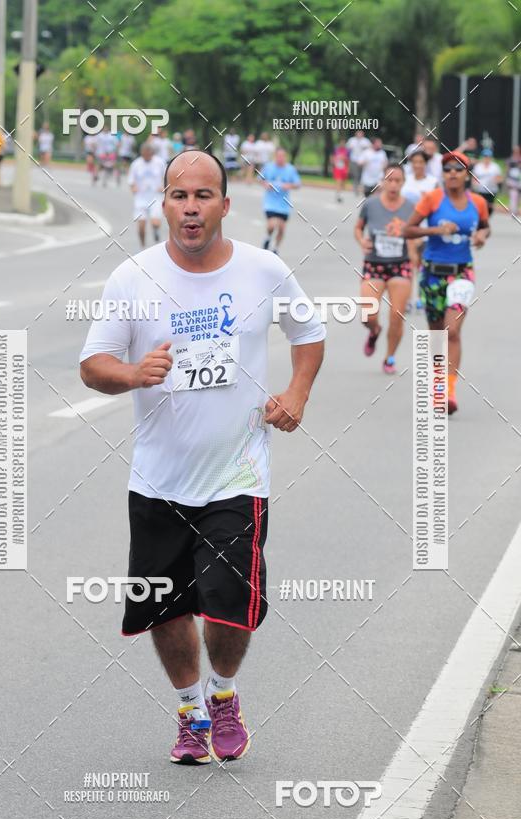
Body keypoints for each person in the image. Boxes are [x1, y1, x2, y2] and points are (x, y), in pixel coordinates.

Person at [78, 149, 325, 765]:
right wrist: (134, 374)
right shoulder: (132, 278)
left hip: (239, 473)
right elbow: (92, 365)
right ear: (163, 203)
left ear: (224, 204)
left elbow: (309, 333)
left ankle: (223, 695)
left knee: (230, 605)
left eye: (204, 196)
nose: (191, 208)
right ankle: (190, 711)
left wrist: (296, 393)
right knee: (165, 607)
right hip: (159, 479)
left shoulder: (263, 270)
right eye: (179, 196)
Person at [404, 151, 490, 414]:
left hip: (462, 272)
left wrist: (481, 237)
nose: (452, 173)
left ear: (467, 175)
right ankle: (439, 382)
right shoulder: (432, 199)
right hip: (432, 273)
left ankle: (448, 391)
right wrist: (435, 230)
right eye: (448, 169)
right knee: (437, 335)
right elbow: (409, 230)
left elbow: (485, 226)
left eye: (458, 169)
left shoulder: (478, 202)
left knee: (452, 330)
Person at [354, 164, 416, 373]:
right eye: (389, 180)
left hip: (401, 265)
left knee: (397, 316)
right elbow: (358, 227)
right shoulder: (370, 204)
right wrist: (362, 241)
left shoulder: (410, 207)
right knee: (368, 315)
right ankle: (374, 331)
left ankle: (389, 357)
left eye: (397, 180)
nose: (393, 184)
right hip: (374, 264)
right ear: (382, 181)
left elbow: (414, 238)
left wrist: (414, 263)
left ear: (403, 183)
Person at [402, 151, 438, 310]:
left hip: (425, 231)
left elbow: (437, 207)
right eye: (414, 162)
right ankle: (409, 299)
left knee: (423, 266)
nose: (417, 165)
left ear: (426, 164)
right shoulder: (405, 180)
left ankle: (423, 298)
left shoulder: (432, 182)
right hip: (405, 228)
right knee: (410, 264)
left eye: (420, 162)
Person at [259, 147, 301, 254]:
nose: (280, 158)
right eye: (278, 156)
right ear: (275, 156)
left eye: (282, 156)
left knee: (282, 229)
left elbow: (298, 184)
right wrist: (266, 184)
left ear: (285, 157)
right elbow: (260, 179)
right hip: (270, 203)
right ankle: (268, 237)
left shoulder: (290, 169)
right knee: (272, 225)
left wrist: (289, 185)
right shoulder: (268, 167)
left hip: (284, 204)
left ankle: (275, 248)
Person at [127, 142, 165, 247]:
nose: (147, 156)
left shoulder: (159, 163)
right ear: (142, 153)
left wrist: (164, 187)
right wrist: (133, 187)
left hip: (156, 197)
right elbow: (131, 180)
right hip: (141, 198)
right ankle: (142, 246)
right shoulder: (136, 164)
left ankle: (156, 232)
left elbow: (167, 177)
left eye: (149, 154)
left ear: (152, 153)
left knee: (155, 222)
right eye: (145, 154)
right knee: (141, 226)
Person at [471, 149, 503, 217]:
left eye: (488, 156)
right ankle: (482, 217)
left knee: (489, 206)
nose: (486, 158)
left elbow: (499, 178)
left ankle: (487, 216)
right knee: (481, 204)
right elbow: (474, 177)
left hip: (491, 190)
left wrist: (495, 181)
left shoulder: (495, 167)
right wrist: (474, 184)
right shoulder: (478, 166)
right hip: (480, 190)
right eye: (485, 156)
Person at [346, 129, 371, 196]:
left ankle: (363, 190)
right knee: (355, 175)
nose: (359, 135)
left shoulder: (366, 141)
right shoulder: (352, 140)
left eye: (361, 134)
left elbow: (370, 149)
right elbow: (347, 149)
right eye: (358, 133)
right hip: (354, 160)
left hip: (363, 160)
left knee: (362, 175)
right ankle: (355, 190)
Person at [505, 145, 521, 216]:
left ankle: (516, 209)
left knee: (518, 198)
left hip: (519, 180)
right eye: (515, 151)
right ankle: (513, 212)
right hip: (512, 180)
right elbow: (507, 170)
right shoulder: (510, 160)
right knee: (513, 196)